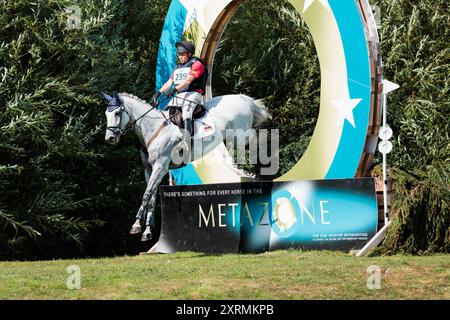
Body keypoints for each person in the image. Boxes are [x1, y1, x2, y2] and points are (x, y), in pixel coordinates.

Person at [152, 41, 207, 161]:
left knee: (186, 113)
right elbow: (169, 82)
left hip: (194, 94)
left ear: (189, 54)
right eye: (179, 55)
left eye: (182, 54)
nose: (180, 57)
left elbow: (188, 81)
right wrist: (159, 92)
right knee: (166, 112)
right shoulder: (178, 67)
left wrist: (175, 89)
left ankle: (187, 142)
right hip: (181, 95)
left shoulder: (197, 64)